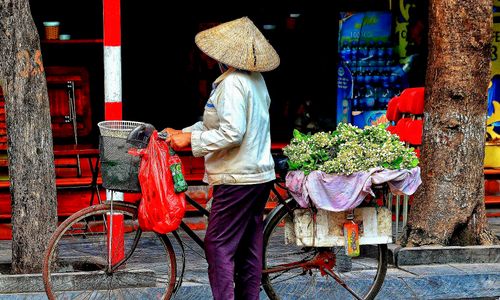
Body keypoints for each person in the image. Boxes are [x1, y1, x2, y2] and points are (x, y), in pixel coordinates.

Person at [164, 17, 280, 300]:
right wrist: (182, 133)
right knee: (248, 246)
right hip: (258, 175)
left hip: (237, 177)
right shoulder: (255, 80)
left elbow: (231, 133)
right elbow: (215, 125)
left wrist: (191, 140)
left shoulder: (231, 85)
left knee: (217, 245)